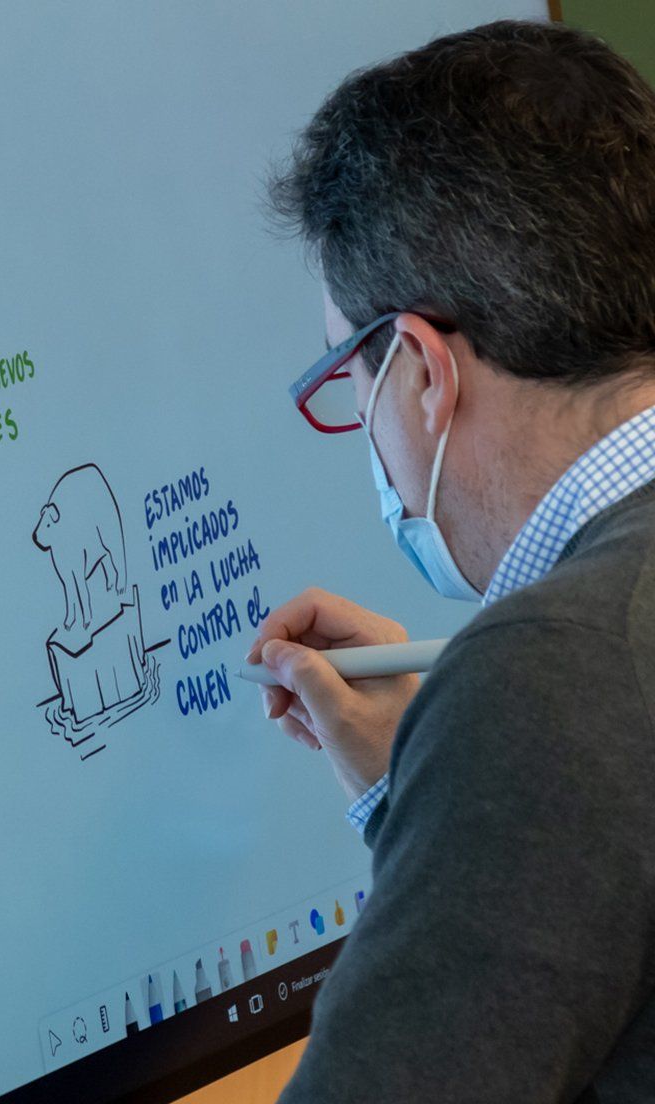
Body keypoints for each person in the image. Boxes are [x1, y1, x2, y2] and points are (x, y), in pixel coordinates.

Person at [256, 19, 655, 1103]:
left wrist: (491, 730)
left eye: (353, 381)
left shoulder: (552, 672)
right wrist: (427, 793)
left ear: (426, 373)